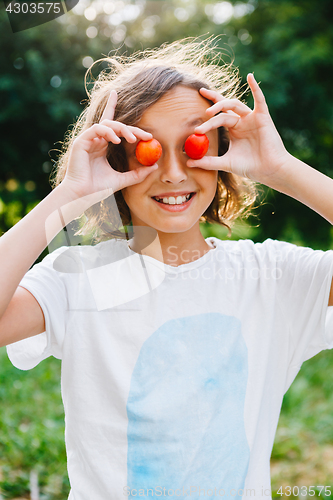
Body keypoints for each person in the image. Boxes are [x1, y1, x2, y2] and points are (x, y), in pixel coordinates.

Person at [1, 37, 333, 499]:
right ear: (115, 159)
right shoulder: (76, 279)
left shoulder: (270, 276)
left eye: (194, 147)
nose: (174, 173)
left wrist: (281, 167)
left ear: (222, 155)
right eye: (149, 151)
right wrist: (69, 195)